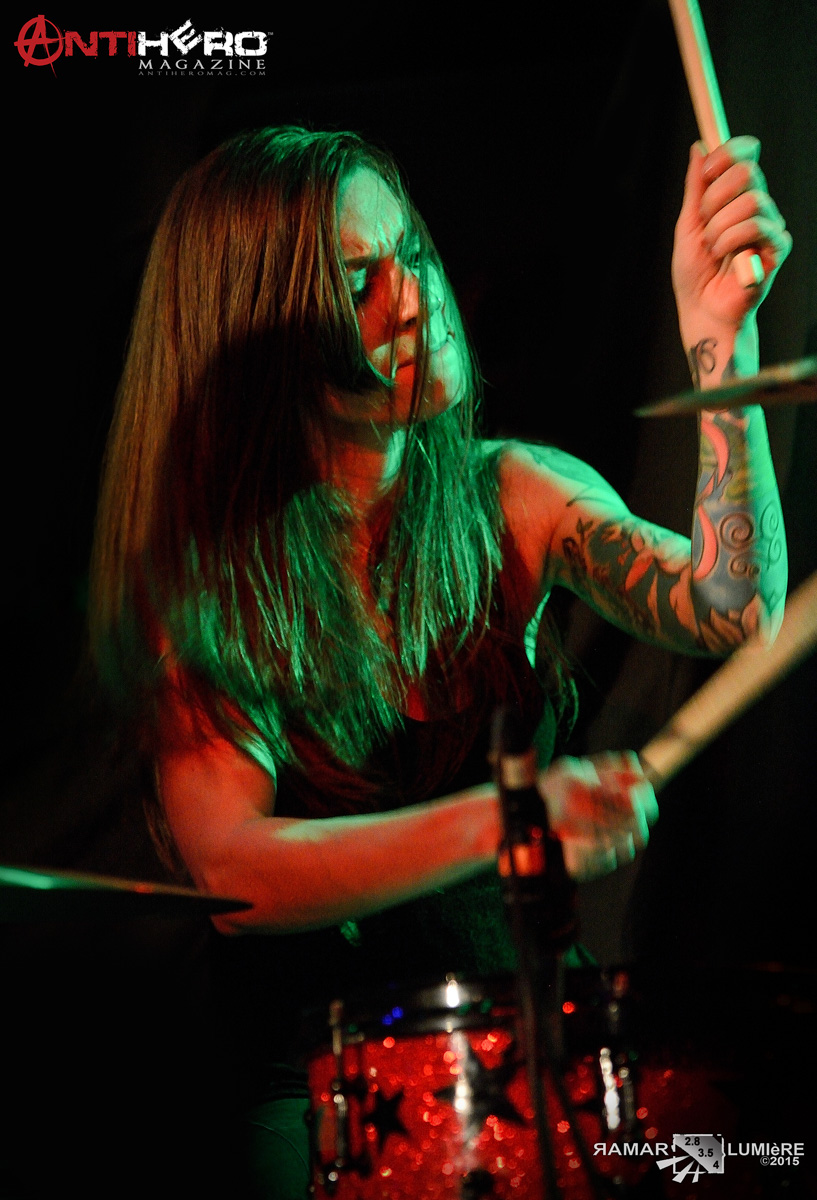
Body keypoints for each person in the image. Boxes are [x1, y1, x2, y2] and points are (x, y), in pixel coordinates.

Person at [89, 126, 790, 1195]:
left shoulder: (515, 496)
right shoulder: (204, 589)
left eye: (408, 251)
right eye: (356, 282)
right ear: (261, 334)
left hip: (536, 1046)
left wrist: (719, 340)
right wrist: (504, 821)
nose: (414, 298)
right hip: (320, 1093)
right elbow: (234, 872)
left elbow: (732, 613)